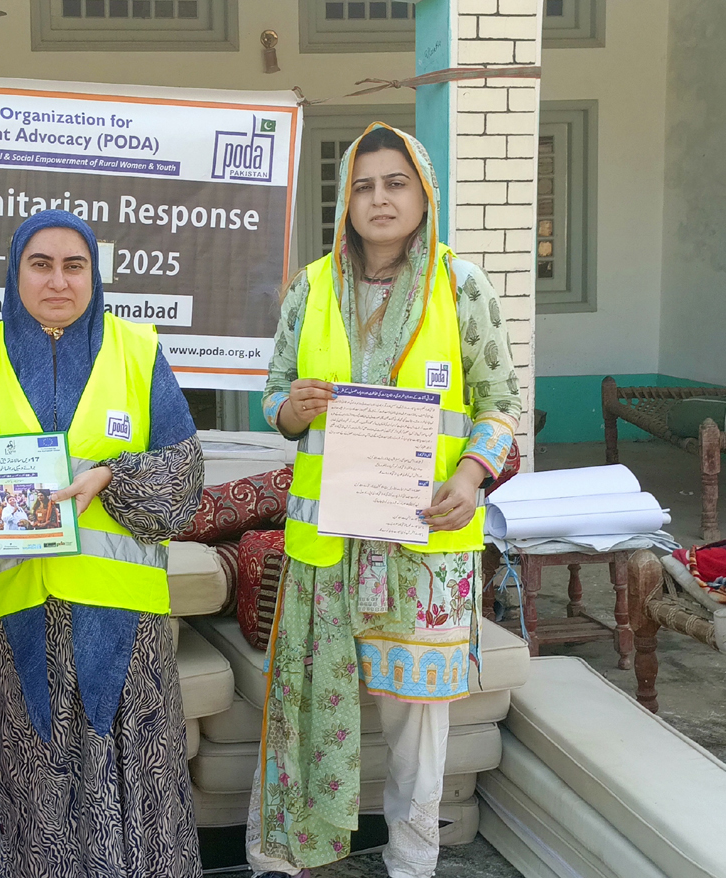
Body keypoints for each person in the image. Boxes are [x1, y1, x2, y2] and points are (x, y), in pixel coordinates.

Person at [249, 124, 520, 878]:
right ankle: (287, 858)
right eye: (362, 186)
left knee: (417, 728)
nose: (378, 199)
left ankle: (411, 862)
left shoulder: (461, 286)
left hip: (422, 547)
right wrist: (290, 409)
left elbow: (501, 403)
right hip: (325, 548)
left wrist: (471, 476)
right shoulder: (309, 287)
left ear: (423, 193)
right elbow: (272, 396)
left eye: (395, 183)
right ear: (345, 201)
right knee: (305, 709)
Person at [0, 210, 205, 877]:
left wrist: (113, 476)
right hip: (17, 620)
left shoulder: (137, 352)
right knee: (33, 788)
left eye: (73, 266)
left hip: (124, 623)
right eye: (41, 264)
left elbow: (184, 476)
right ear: (15, 273)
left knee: (131, 782)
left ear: (94, 275)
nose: (58, 280)